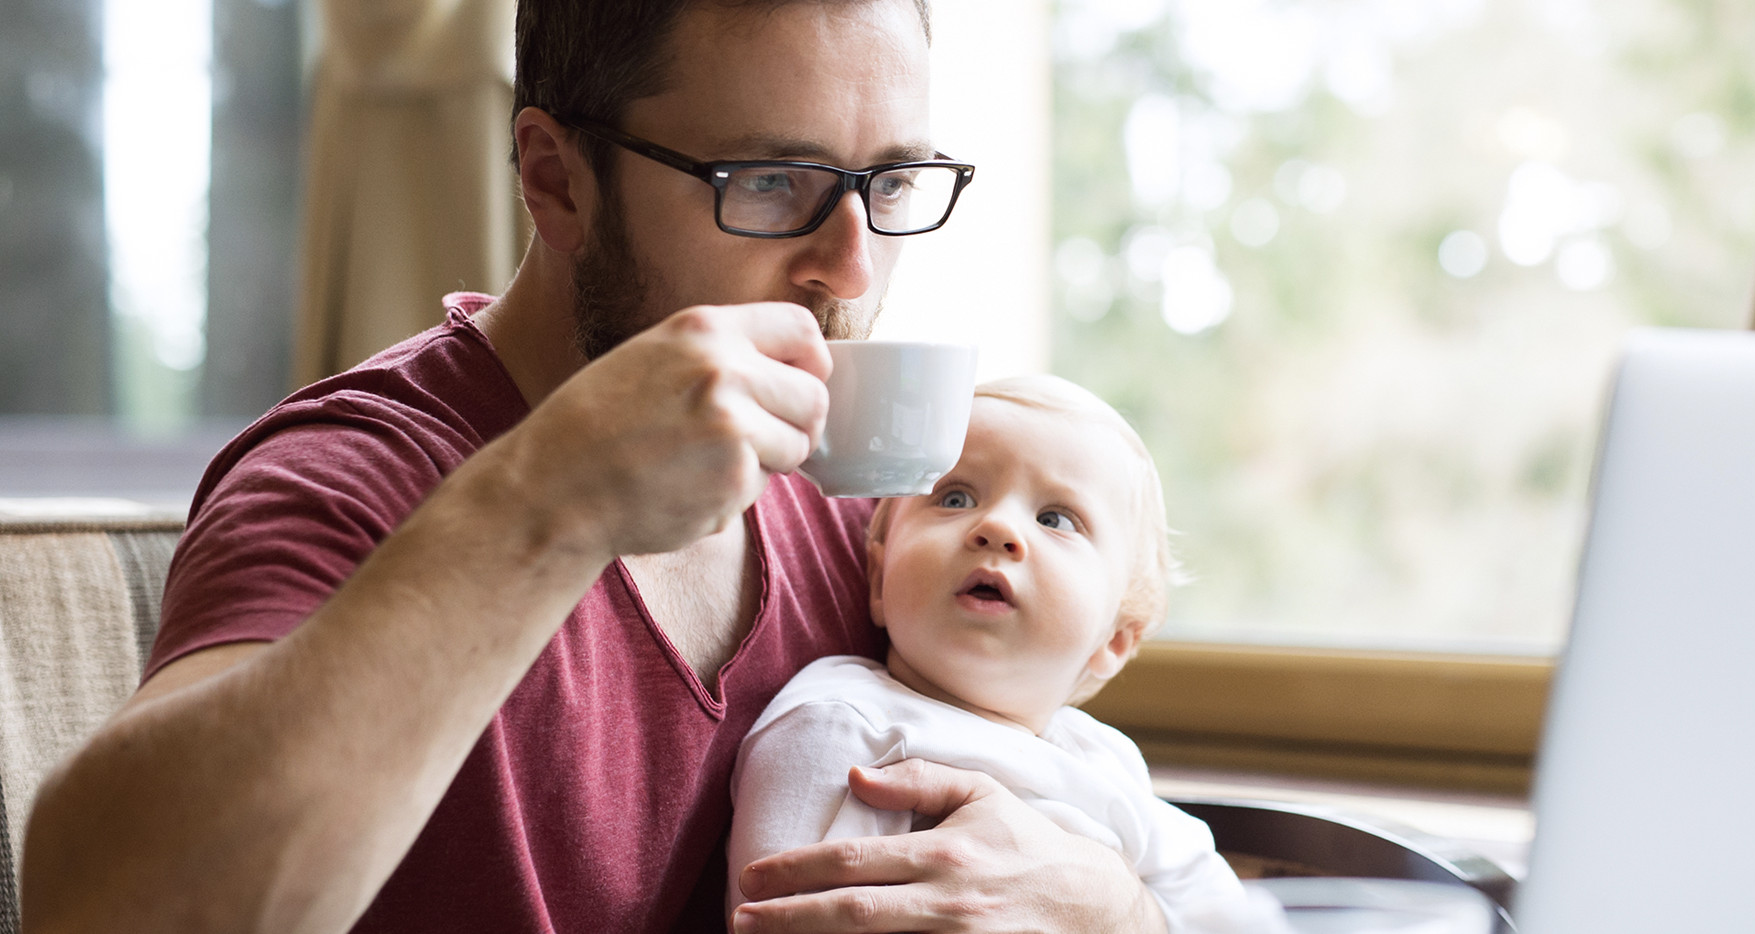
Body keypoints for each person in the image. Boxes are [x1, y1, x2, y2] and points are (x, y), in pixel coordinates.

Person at [19, 2, 1168, 932]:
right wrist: (551, 500)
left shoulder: (867, 510)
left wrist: (1109, 905)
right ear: (556, 179)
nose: (852, 269)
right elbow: (101, 908)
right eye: (771, 182)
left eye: (893, 185)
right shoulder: (352, 475)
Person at [728, 377, 1286, 932]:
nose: (996, 527)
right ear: (878, 579)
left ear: (1116, 638)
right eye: (954, 497)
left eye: (1055, 519)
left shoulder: (1105, 760)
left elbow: (1220, 913)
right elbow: (774, 914)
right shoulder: (839, 724)